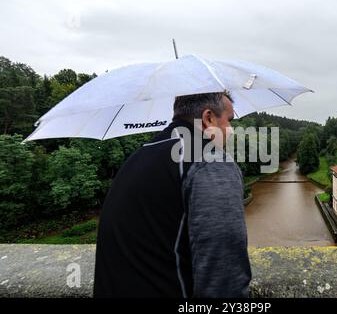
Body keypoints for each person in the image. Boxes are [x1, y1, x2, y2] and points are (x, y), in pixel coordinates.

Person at [94, 92, 252, 298]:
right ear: (208, 118)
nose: (230, 130)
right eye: (229, 121)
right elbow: (223, 271)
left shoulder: (142, 154)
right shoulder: (209, 160)